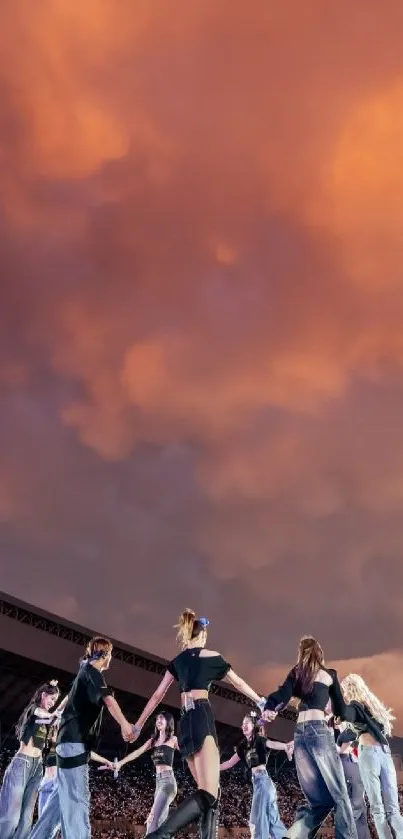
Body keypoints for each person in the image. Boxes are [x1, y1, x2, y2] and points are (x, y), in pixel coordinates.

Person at [130, 609, 266, 839]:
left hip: (186, 723)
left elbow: (157, 696)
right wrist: (261, 701)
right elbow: (239, 683)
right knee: (209, 794)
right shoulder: (212, 656)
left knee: (212, 792)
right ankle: (160, 835)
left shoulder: (178, 661)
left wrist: (138, 724)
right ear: (202, 636)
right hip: (202, 716)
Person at [37, 635, 133, 839]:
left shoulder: (83, 670)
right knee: (78, 800)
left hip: (66, 743)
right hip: (74, 743)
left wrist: (56, 714)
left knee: (56, 806)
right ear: (105, 654)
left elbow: (69, 697)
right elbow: (109, 700)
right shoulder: (93, 672)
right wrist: (125, 725)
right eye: (111, 654)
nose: (111, 659)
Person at [263, 635, 357, 839]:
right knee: (340, 796)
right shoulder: (329, 674)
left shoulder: (297, 673)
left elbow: (282, 695)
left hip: (300, 735)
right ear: (320, 654)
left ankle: (293, 837)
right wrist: (350, 715)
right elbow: (340, 708)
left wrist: (271, 706)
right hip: (319, 731)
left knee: (321, 802)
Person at [339, 674, 403, 839]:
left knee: (378, 808)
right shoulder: (371, 707)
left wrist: (340, 712)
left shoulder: (355, 705)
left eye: (345, 690)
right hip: (384, 753)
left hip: (369, 754)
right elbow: (352, 721)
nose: (344, 694)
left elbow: (348, 712)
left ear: (350, 688)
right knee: (392, 808)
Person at [0, 679, 60, 839]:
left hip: (38, 769)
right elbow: (40, 714)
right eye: (52, 699)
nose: (53, 703)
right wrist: (52, 715)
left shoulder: (46, 721)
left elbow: (49, 719)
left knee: (26, 821)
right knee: (11, 818)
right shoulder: (33, 710)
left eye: (56, 701)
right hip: (22, 763)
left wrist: (55, 717)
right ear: (43, 695)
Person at [220, 712, 292, 839]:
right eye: (242, 724)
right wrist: (214, 769)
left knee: (257, 820)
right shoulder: (242, 746)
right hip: (262, 784)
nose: (244, 726)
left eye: (247, 723)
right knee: (272, 820)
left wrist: (285, 746)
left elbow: (272, 744)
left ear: (254, 725)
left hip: (263, 781)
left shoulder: (259, 739)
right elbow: (230, 763)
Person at [106, 711, 179, 834]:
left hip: (168, 782)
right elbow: (137, 753)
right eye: (157, 719)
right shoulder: (153, 741)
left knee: (152, 819)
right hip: (158, 783)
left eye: (162, 719)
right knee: (160, 823)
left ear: (169, 722)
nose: (158, 721)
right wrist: (120, 763)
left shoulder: (173, 739)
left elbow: (189, 754)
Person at [334, 723, 370, 839]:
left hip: (349, 763)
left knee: (359, 810)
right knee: (356, 808)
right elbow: (347, 741)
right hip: (348, 763)